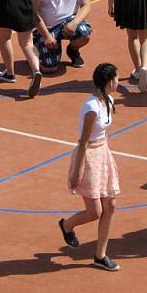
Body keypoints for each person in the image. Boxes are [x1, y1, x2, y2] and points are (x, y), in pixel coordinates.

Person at [58, 63, 122, 272]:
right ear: (109, 81)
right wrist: (77, 171)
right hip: (89, 156)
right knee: (95, 211)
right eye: (117, 79)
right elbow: (83, 142)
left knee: (110, 206)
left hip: (103, 152)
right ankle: (67, 225)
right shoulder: (91, 108)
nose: (118, 82)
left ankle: (100, 255)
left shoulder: (108, 100)